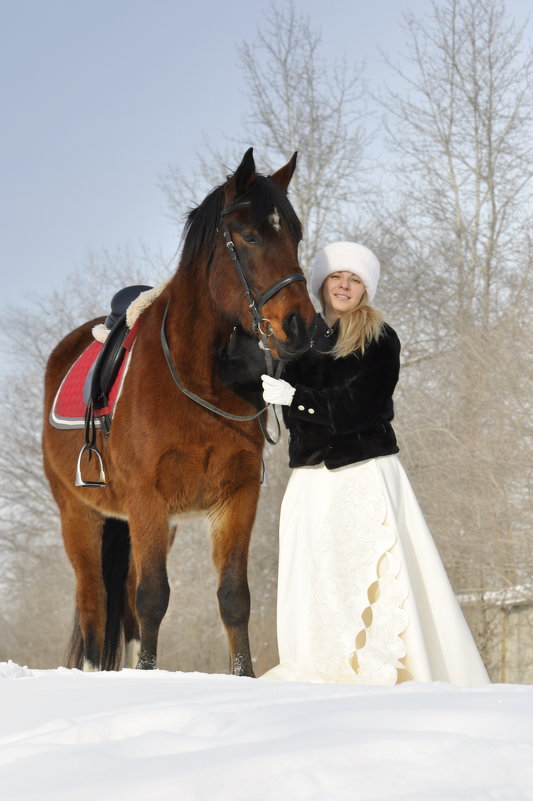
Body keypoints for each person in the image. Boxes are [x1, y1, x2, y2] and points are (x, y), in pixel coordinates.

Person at [260, 241, 489, 685]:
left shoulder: (379, 337)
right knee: (316, 576)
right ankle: (320, 665)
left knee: (368, 572)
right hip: (309, 478)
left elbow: (363, 405)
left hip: (361, 472)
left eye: (355, 279)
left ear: (365, 289)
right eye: (336, 277)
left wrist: (298, 400)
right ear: (321, 283)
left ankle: (379, 666)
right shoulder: (297, 340)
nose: (344, 286)